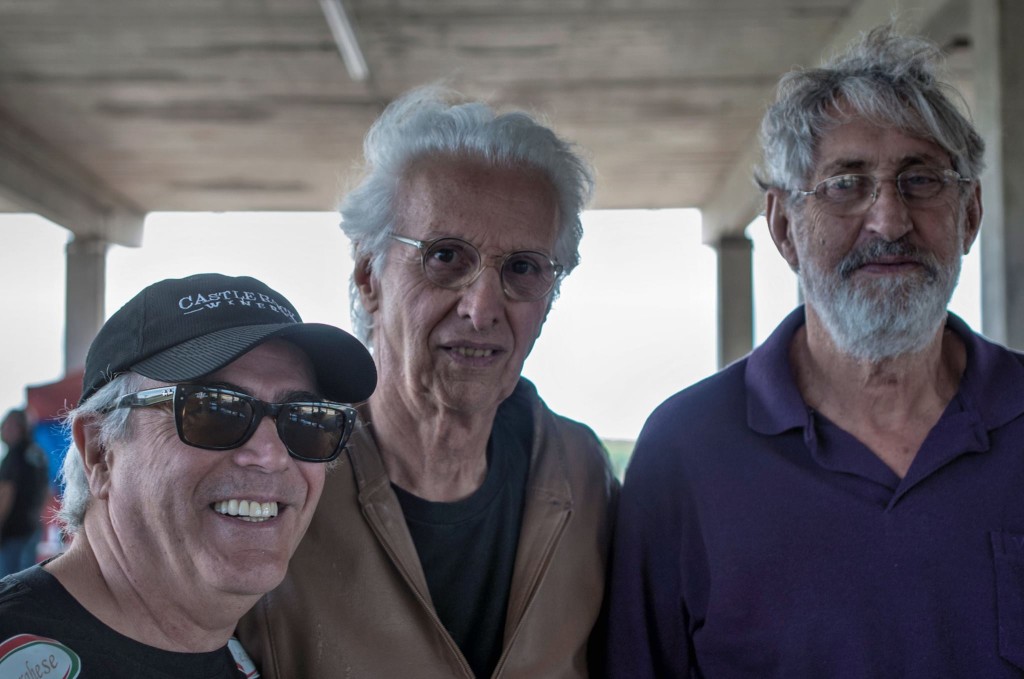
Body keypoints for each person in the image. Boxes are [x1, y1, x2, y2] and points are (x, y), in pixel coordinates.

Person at [606, 25, 1024, 678]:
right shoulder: (686, 452)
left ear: (970, 214)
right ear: (782, 226)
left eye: (920, 180)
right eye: (846, 184)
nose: (889, 220)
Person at [237, 86, 619, 679]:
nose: (482, 308)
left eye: (523, 267)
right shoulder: (277, 467)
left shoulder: (582, 473)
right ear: (369, 276)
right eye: (446, 257)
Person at [0, 273, 376, 678]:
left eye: (306, 419)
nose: (271, 455)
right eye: (212, 410)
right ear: (100, 451)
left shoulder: (272, 656)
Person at [0, 408, 50, 576]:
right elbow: (46, 489)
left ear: (19, 428)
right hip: (32, 526)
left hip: (13, 530)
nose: (3, 430)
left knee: (7, 581)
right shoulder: (37, 453)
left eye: (7, 426)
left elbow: (6, 492)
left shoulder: (14, 455)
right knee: (26, 578)